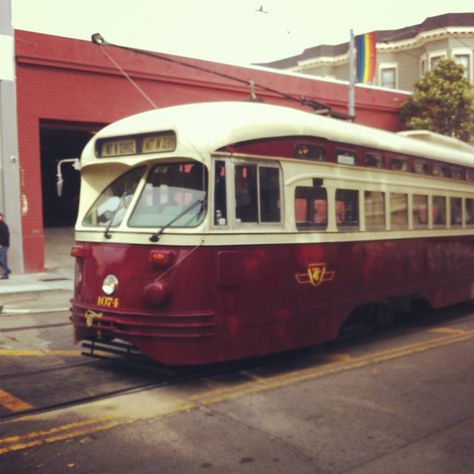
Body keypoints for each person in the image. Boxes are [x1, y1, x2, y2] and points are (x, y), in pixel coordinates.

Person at [0, 212, 11, 279]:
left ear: (1, 217)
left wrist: (1, 244)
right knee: (2, 259)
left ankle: (6, 272)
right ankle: (7, 271)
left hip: (4, 245)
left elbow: (6, 236)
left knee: (2, 259)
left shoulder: (4, 226)